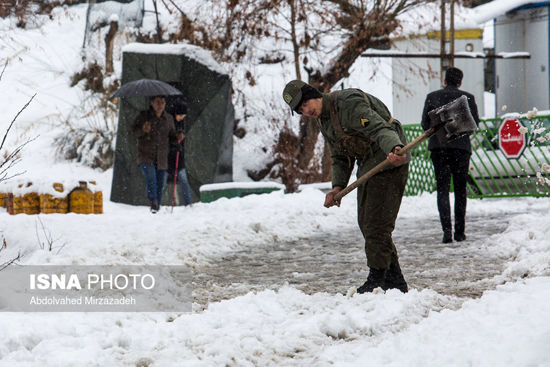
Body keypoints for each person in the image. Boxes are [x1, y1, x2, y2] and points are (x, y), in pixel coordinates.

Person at [282, 80, 410, 293]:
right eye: (300, 110)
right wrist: (337, 186)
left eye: (305, 104)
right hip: (369, 165)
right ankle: (395, 281)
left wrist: (395, 148)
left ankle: (378, 277)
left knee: (376, 225)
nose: (306, 111)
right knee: (367, 223)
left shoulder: (348, 104)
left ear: (313, 95)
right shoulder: (324, 121)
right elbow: (340, 155)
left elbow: (378, 128)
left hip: (389, 162)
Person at [421, 67, 480, 243]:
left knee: (443, 189)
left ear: (444, 80)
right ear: (460, 82)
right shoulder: (467, 98)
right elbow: (474, 123)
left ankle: (447, 233)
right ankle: (460, 233)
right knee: (461, 190)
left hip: (439, 149)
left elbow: (425, 124)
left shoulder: (432, 97)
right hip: (461, 149)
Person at [132, 95, 177, 213]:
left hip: (162, 157)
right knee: (151, 179)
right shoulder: (143, 116)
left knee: (160, 183)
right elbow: (133, 132)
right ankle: (153, 203)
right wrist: (143, 130)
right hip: (145, 155)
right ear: (151, 103)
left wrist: (177, 140)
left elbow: (172, 135)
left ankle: (158, 206)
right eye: (157, 102)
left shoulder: (168, 118)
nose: (160, 105)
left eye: (162, 102)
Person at [167, 99, 192, 206]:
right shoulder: (168, 121)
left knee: (184, 180)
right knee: (162, 182)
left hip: (178, 157)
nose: (183, 118)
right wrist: (174, 141)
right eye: (181, 115)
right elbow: (166, 138)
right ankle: (155, 203)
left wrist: (180, 139)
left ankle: (188, 203)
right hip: (167, 158)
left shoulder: (181, 122)